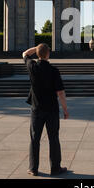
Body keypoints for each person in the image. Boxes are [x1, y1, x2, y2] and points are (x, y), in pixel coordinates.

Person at [22, 43, 69, 177]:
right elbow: (60, 92)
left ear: (37, 54)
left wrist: (36, 49)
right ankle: (55, 168)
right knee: (53, 138)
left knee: (34, 139)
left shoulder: (32, 66)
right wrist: (65, 110)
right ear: (48, 54)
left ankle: (33, 168)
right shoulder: (54, 71)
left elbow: (25, 54)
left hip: (37, 109)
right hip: (52, 109)